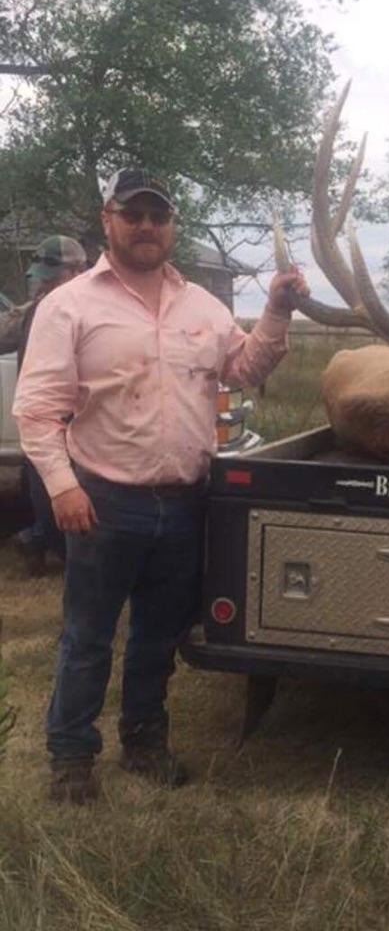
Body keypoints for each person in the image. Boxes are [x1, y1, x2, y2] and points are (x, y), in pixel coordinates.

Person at [13, 168, 308, 803]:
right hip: (103, 502)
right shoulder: (68, 306)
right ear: (108, 221)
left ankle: (144, 743)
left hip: (185, 502)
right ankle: (72, 758)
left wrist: (278, 311)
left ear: (172, 226)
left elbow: (244, 366)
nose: (146, 226)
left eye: (158, 216)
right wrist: (62, 487)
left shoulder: (202, 306)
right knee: (88, 636)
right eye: (133, 214)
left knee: (157, 637)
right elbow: (36, 410)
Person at [13, 236, 88, 574]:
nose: (44, 282)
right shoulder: (36, 310)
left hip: (77, 433)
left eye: (53, 275)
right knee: (56, 511)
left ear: (77, 271)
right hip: (45, 431)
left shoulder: (90, 312)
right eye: (43, 276)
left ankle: (37, 540)